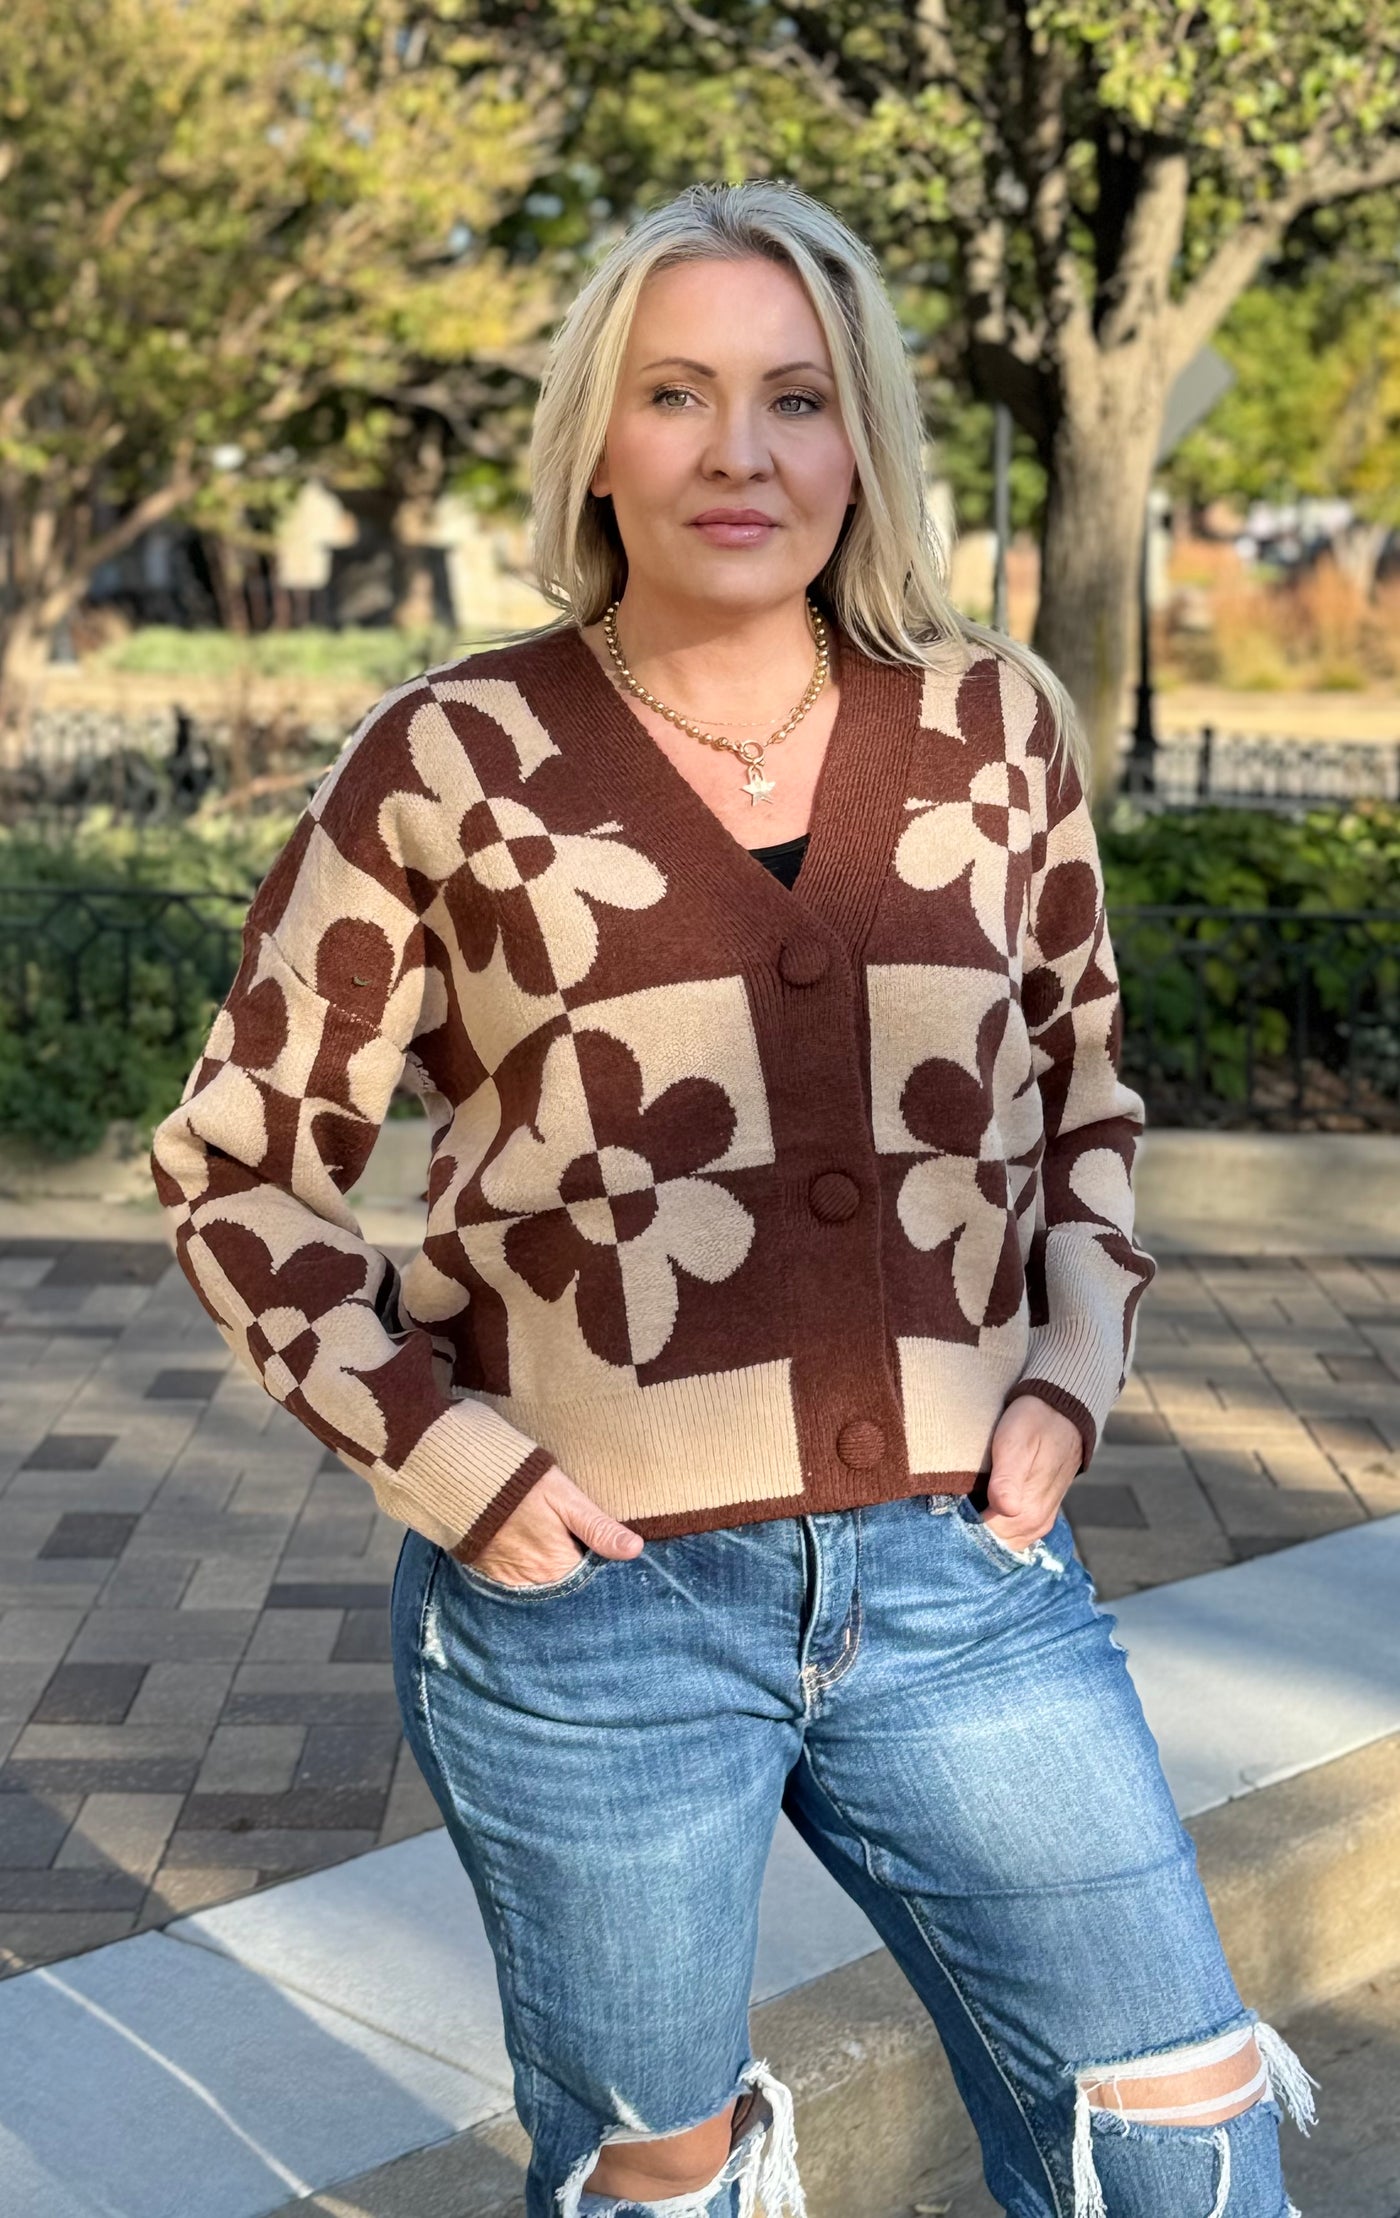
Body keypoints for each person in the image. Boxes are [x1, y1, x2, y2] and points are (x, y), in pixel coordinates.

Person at [149, 180, 1316, 2218]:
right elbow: (238, 1164)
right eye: (674, 394)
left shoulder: (993, 726)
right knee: (658, 2178)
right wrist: (453, 1463)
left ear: (858, 435)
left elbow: (1080, 1094)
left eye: (792, 396)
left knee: (1180, 2109)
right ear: (598, 438)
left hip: (967, 1571)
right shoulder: (448, 756)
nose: (737, 450)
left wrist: (1068, 1374)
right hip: (591, 1605)